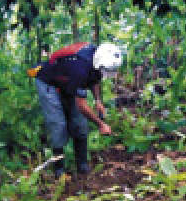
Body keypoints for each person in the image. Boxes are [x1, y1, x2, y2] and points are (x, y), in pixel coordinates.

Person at [30, 41, 123, 175]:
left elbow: (96, 78)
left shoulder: (96, 58)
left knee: (79, 123)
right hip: (48, 83)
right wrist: (100, 124)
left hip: (68, 82)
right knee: (58, 124)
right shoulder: (79, 69)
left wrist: (98, 100)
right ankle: (59, 169)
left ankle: (82, 165)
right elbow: (82, 106)